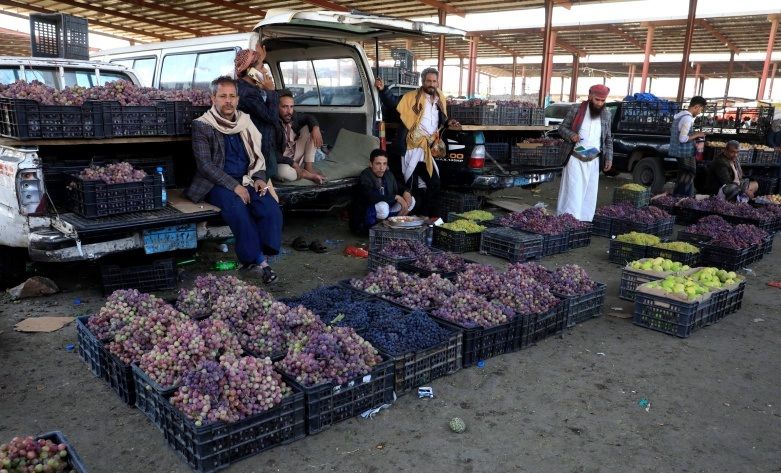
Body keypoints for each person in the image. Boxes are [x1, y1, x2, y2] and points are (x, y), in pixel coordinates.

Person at [187, 76, 282, 284]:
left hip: (247, 178)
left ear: (238, 99)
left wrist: (258, 178)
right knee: (238, 209)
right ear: (213, 98)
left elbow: (258, 155)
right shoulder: (202, 125)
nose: (228, 101)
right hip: (217, 183)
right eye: (223, 96)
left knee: (269, 207)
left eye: (232, 96)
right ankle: (259, 261)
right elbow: (205, 166)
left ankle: (258, 254)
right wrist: (235, 186)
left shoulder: (245, 122)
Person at [375, 67, 460, 217]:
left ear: (437, 82)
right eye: (428, 81)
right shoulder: (411, 97)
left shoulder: (440, 98)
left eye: (434, 81)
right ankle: (412, 220)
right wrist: (383, 90)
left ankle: (431, 218)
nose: (431, 84)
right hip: (411, 148)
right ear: (423, 81)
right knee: (412, 186)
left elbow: (441, 119)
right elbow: (394, 103)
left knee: (434, 183)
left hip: (427, 151)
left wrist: (448, 123)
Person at [555, 84, 614, 222]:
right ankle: (568, 222)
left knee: (589, 195)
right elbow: (561, 128)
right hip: (575, 159)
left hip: (594, 161)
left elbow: (608, 138)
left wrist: (609, 158)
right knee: (573, 194)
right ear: (590, 96)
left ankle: (583, 224)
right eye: (597, 100)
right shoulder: (576, 109)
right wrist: (571, 135)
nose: (599, 103)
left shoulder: (607, 114)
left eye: (602, 101)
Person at [234, 46, 280, 179]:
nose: (265, 71)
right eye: (261, 67)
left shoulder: (244, 86)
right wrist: (271, 92)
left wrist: (259, 59)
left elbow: (249, 69)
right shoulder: (247, 93)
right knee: (265, 179)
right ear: (250, 71)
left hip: (260, 144)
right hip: (258, 148)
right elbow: (271, 117)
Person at [274, 90, 326, 184]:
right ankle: (306, 174)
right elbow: (271, 154)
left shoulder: (292, 115)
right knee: (283, 172)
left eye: (291, 107)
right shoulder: (271, 123)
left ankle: (308, 167)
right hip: (281, 160)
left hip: (294, 153)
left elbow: (308, 117)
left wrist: (315, 128)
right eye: (284, 107)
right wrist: (291, 163)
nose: (289, 111)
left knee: (310, 129)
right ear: (276, 107)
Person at [357, 148, 415, 229]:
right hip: (367, 216)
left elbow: (399, 186)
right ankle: (376, 229)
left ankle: (394, 225)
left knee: (411, 200)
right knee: (382, 207)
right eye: (378, 164)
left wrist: (406, 192)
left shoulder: (388, 174)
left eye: (384, 164)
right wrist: (396, 197)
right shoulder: (365, 176)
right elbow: (372, 196)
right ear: (371, 164)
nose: (382, 168)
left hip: (386, 210)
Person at [670, 96, 707, 196]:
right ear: (696, 106)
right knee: (689, 173)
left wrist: (694, 135)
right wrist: (697, 134)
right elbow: (682, 139)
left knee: (683, 175)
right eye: (701, 109)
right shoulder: (687, 118)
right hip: (684, 153)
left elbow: (681, 134)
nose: (700, 112)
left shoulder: (680, 116)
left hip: (678, 152)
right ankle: (682, 197)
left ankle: (677, 196)